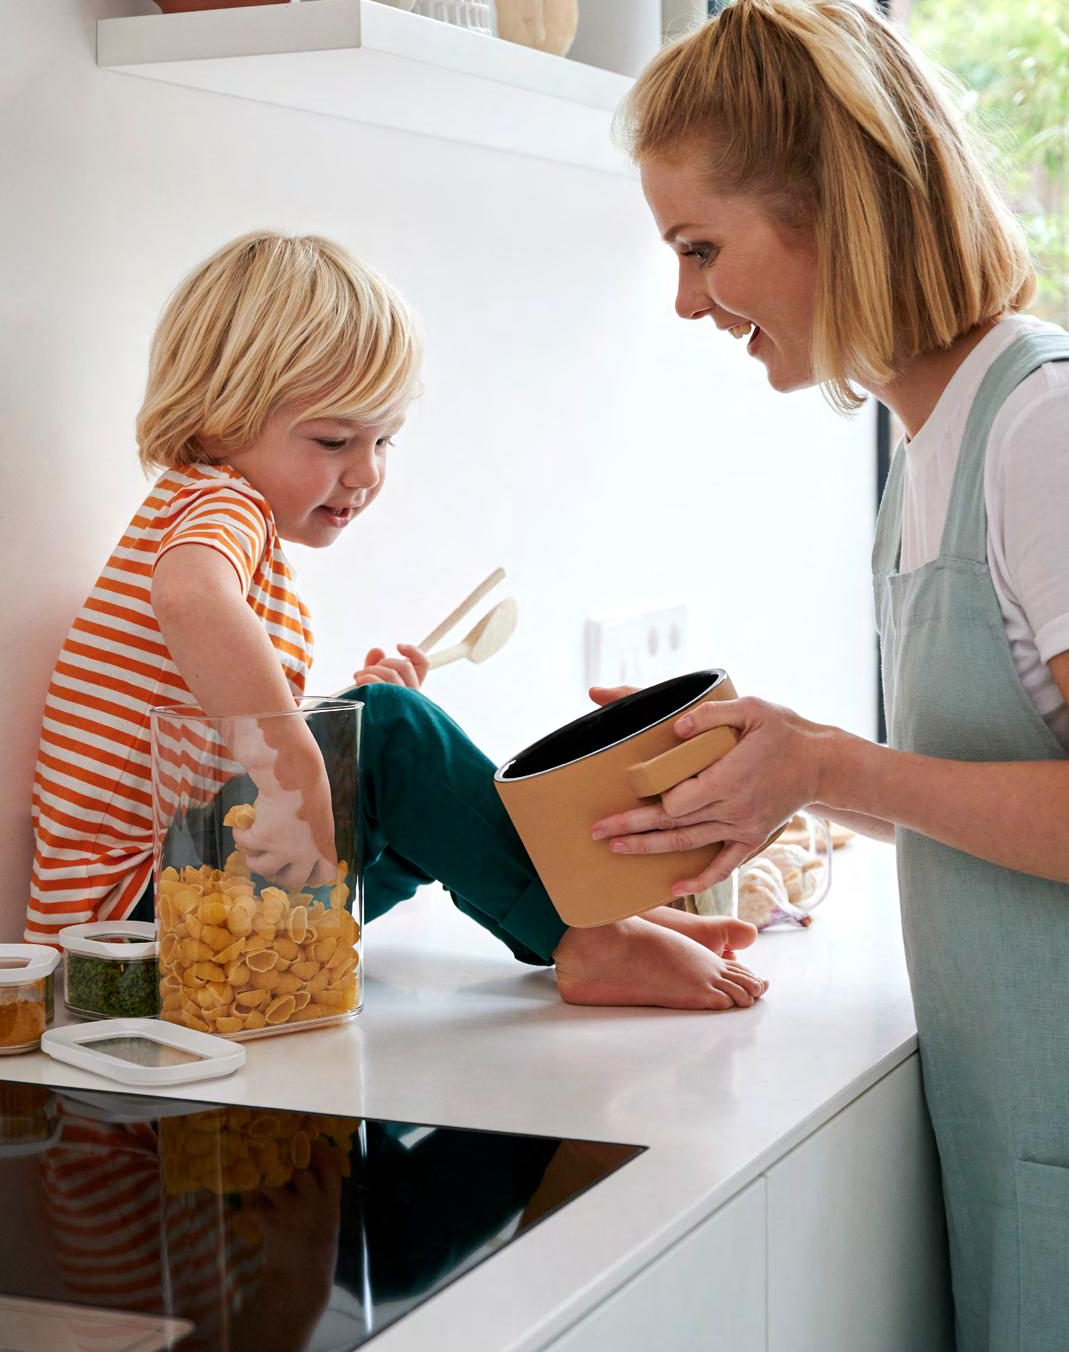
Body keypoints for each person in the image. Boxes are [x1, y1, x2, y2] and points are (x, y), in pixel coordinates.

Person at [590, 0, 1069, 1352]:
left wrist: (826, 763)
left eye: (699, 248)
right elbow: (985, 780)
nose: (687, 301)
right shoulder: (929, 447)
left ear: (836, 211)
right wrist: (770, 762)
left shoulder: (1040, 431)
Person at [25, 231, 767, 1013]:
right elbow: (188, 598)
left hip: (164, 930)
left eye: (383, 439)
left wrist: (336, 745)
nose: (367, 470)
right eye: (333, 440)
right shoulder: (218, 503)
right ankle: (588, 940)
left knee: (394, 762)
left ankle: (580, 922)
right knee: (391, 728)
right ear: (216, 421)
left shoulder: (199, 513)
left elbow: (216, 737)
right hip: (134, 934)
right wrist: (303, 770)